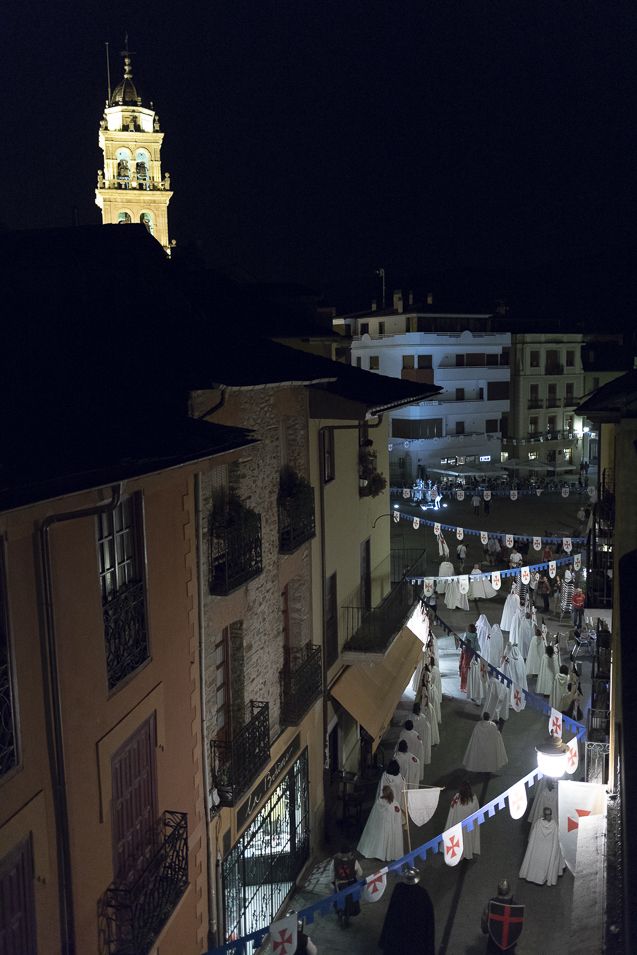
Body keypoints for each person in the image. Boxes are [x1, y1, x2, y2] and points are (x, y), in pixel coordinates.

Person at [379, 865, 435, 954]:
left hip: (399, 926)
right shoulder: (422, 893)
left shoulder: (398, 888)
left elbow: (392, 908)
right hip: (415, 929)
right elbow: (428, 914)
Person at [519, 807, 565, 885]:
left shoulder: (540, 823)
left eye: (549, 814)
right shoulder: (553, 825)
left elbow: (533, 838)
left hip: (540, 850)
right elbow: (557, 841)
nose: (548, 816)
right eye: (547, 814)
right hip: (545, 850)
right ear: (545, 815)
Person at [357, 785, 404, 861]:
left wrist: (396, 811)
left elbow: (396, 813)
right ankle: (382, 854)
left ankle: (382, 854)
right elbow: (376, 814)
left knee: (383, 840)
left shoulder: (388, 803)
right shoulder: (390, 803)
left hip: (385, 825)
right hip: (383, 826)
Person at [442, 781, 480, 860]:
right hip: (469, 825)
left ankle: (459, 854)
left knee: (458, 839)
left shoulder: (457, 798)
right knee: (467, 839)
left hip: (457, 824)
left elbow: (452, 811)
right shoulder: (474, 798)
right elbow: (476, 812)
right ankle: (467, 853)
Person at [481, 880, 521, 953]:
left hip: (494, 943)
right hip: (509, 945)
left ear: (498, 889)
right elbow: (516, 928)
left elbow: (484, 928)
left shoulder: (490, 905)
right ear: (509, 890)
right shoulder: (515, 907)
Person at [330, 847, 363, 925]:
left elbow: (331, 874)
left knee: (339, 901)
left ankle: (340, 916)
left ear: (340, 853)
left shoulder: (334, 861)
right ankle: (347, 917)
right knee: (350, 903)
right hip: (351, 885)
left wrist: (333, 883)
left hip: (339, 886)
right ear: (349, 853)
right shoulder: (354, 861)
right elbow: (360, 873)